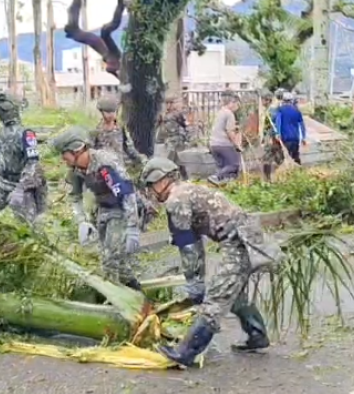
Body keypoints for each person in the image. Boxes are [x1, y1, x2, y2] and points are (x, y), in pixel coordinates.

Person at [140, 157, 273, 368]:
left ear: (163, 180)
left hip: (239, 241)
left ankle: (186, 352)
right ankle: (257, 335)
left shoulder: (176, 200)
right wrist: (196, 278)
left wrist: (194, 281)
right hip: (244, 236)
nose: (151, 192)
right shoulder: (186, 191)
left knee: (216, 299)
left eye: (151, 185)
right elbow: (194, 242)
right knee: (234, 293)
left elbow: (189, 247)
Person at [52, 126, 142, 290]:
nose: (62, 159)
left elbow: (126, 193)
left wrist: (132, 227)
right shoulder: (75, 171)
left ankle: (114, 298)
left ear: (76, 150)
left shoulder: (104, 164)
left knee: (110, 258)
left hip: (122, 209)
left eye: (64, 155)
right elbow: (74, 197)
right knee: (115, 260)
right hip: (102, 210)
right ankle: (136, 291)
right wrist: (81, 221)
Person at [0, 93, 47, 223]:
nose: (2, 113)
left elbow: (32, 163)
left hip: (23, 185)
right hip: (3, 183)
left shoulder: (26, 134)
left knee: (28, 228)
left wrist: (20, 188)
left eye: (5, 110)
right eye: (0, 109)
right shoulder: (1, 131)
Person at [91, 95, 146, 169]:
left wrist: (141, 159)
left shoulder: (121, 128)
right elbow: (92, 152)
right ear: (101, 112)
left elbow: (129, 148)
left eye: (113, 111)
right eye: (107, 112)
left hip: (119, 169)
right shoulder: (96, 131)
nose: (110, 115)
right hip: (103, 170)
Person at [208, 91, 243, 186]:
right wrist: (237, 144)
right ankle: (216, 176)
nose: (238, 107)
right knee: (234, 165)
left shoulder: (220, 112)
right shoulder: (229, 114)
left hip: (213, 144)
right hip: (223, 144)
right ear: (232, 103)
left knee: (221, 166)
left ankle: (221, 185)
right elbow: (230, 131)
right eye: (237, 104)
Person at [156, 96, 190, 180]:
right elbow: (159, 126)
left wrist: (187, 138)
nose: (169, 105)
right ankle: (184, 178)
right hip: (168, 140)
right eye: (167, 103)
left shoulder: (177, 114)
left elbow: (185, 125)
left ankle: (169, 178)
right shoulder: (163, 115)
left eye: (171, 103)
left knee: (170, 161)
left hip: (176, 140)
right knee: (177, 161)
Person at [274, 92, 306, 165]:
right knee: (295, 156)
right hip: (295, 138)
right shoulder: (297, 111)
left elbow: (278, 122)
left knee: (285, 158)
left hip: (285, 138)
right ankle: (299, 170)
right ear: (291, 101)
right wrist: (303, 138)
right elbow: (302, 125)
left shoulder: (280, 110)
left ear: (283, 100)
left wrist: (277, 133)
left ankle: (287, 172)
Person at [260, 90, 284, 182]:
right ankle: (277, 178)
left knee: (267, 159)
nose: (261, 102)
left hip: (272, 139)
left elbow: (272, 126)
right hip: (274, 139)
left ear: (267, 100)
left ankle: (268, 180)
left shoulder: (271, 112)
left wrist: (268, 138)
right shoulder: (273, 110)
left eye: (262, 100)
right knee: (279, 159)